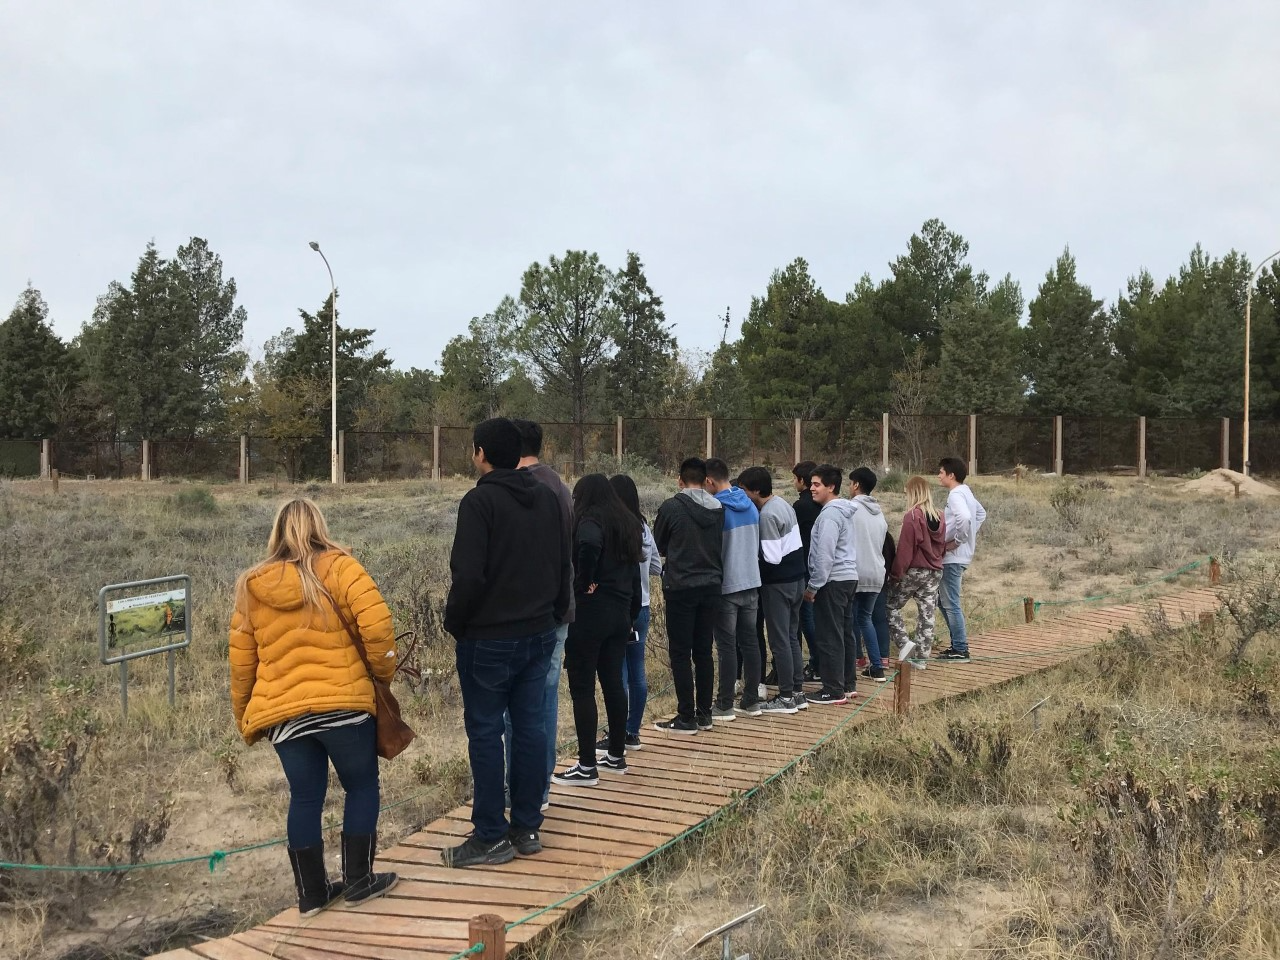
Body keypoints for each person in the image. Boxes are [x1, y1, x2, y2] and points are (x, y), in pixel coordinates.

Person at [230, 498, 400, 916]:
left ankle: (311, 895)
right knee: (361, 786)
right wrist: (381, 677)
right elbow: (378, 629)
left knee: (304, 797)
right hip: (345, 704)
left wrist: (248, 718)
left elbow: (240, 661)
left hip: (284, 715)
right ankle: (359, 880)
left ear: (276, 532)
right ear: (319, 525)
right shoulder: (342, 567)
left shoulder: (251, 585)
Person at [443, 418, 570, 868]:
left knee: (485, 731)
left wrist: (454, 621)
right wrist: (556, 612)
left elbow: (469, 576)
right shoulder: (547, 496)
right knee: (531, 728)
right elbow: (562, 563)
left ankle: (490, 836)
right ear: (519, 453)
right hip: (538, 633)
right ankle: (527, 826)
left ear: (480, 453)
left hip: (489, 639)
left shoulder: (479, 502)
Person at [552, 475, 643, 785]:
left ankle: (587, 765)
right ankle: (616, 755)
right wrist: (630, 614)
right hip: (620, 614)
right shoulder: (628, 524)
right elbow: (633, 577)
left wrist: (582, 582)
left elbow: (589, 544)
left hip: (591, 614)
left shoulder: (591, 521)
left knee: (582, 688)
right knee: (614, 683)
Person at [509, 419, 574, 810]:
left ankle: (518, 790)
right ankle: (541, 788)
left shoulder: (523, 487)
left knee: (518, 706)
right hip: (561, 607)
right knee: (546, 698)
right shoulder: (560, 485)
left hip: (530, 613)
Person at [652, 457, 724, 734]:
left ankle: (685, 717)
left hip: (681, 587)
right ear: (706, 481)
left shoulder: (671, 507)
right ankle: (705, 714)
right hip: (712, 586)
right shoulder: (719, 508)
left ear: (680, 481)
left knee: (681, 652)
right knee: (704, 651)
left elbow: (658, 544)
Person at [595, 474, 662, 752]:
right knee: (638, 672)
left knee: (616, 672)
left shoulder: (614, 528)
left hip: (620, 606)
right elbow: (657, 566)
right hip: (643, 607)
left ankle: (617, 734)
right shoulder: (644, 529)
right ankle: (632, 731)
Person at [738, 466, 806, 713]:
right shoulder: (784, 505)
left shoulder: (766, 515)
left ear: (756, 490)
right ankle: (797, 692)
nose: (743, 495)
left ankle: (786, 697)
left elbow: (771, 558)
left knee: (779, 642)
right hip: (797, 579)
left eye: (744, 491)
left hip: (778, 584)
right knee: (791, 637)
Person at [704, 458, 763, 721]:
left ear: (709, 481)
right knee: (750, 642)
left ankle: (725, 704)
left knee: (726, 646)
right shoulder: (750, 505)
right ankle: (751, 700)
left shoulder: (717, 509)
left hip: (727, 585)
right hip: (752, 581)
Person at [804, 464, 859, 704]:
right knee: (845, 633)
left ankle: (833, 690)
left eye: (817, 485)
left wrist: (813, 586)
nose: (812, 489)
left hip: (832, 581)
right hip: (847, 578)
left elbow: (824, 555)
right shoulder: (843, 512)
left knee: (829, 636)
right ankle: (847, 685)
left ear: (831, 487)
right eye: (811, 484)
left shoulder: (828, 516)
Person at [887, 475, 947, 667]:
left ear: (913, 492)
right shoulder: (940, 515)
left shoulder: (912, 516)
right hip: (935, 571)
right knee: (927, 613)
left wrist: (895, 574)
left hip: (915, 571)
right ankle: (921, 658)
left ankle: (905, 644)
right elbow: (943, 545)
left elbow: (906, 549)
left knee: (890, 605)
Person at [937, 457, 987, 663]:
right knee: (944, 601)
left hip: (953, 557)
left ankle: (960, 648)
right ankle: (957, 644)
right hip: (960, 556)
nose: (939, 476)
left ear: (951, 475)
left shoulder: (956, 494)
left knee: (950, 603)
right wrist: (969, 538)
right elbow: (980, 514)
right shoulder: (966, 492)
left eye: (941, 472)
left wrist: (957, 541)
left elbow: (965, 518)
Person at [846, 467, 889, 683]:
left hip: (855, 572)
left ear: (855, 485)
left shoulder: (850, 508)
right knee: (866, 619)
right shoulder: (879, 512)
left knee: (849, 620)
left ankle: (850, 668)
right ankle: (877, 666)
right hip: (876, 573)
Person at [792, 461, 821, 679]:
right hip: (822, 564)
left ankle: (816, 662)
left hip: (805, 565)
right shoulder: (823, 505)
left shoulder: (800, 507)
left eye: (795, 479)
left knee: (805, 617)